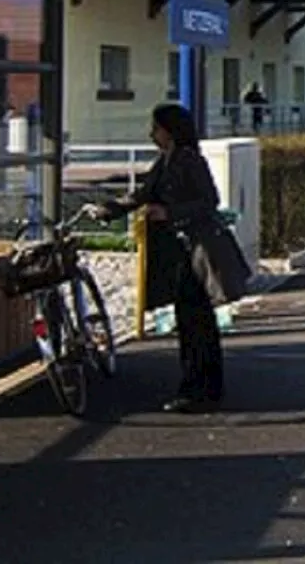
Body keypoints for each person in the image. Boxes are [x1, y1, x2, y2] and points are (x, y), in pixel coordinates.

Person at [89, 103, 251, 413]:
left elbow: (209, 201)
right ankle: (200, 387)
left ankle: (198, 389)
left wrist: (170, 213)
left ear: (170, 130)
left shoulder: (188, 161)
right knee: (192, 320)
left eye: (156, 128)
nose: (151, 134)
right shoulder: (165, 161)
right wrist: (109, 209)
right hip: (182, 252)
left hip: (195, 250)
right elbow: (143, 194)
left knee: (195, 320)